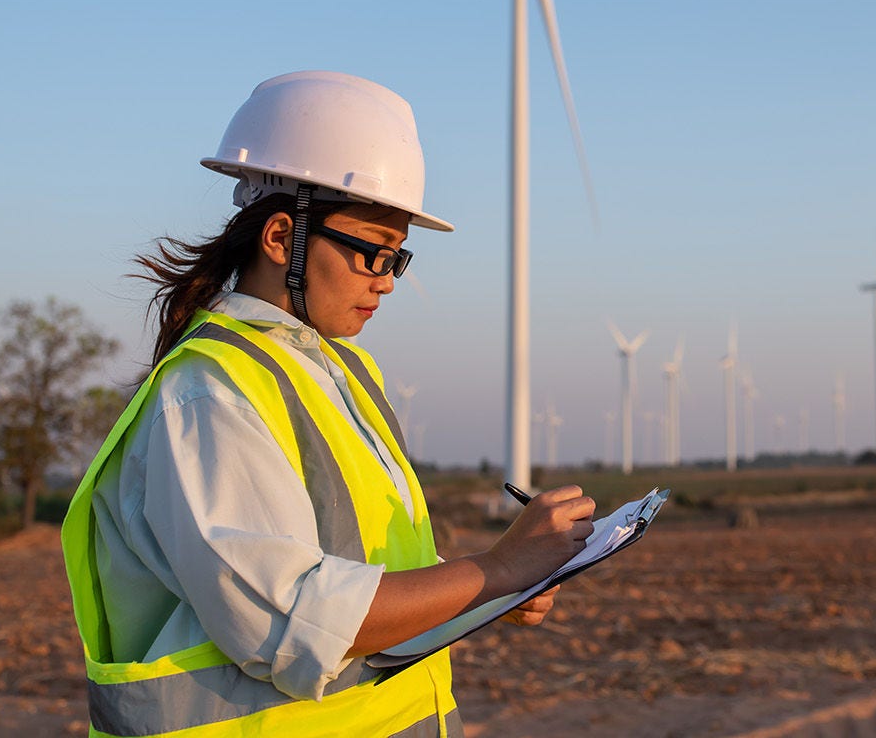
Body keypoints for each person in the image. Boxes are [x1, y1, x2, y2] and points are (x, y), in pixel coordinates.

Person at [62, 70, 596, 737]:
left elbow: (360, 571)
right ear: (281, 237)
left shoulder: (338, 372)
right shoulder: (208, 394)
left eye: (397, 261)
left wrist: (484, 592)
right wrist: (494, 570)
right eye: (372, 253)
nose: (386, 283)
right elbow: (291, 618)